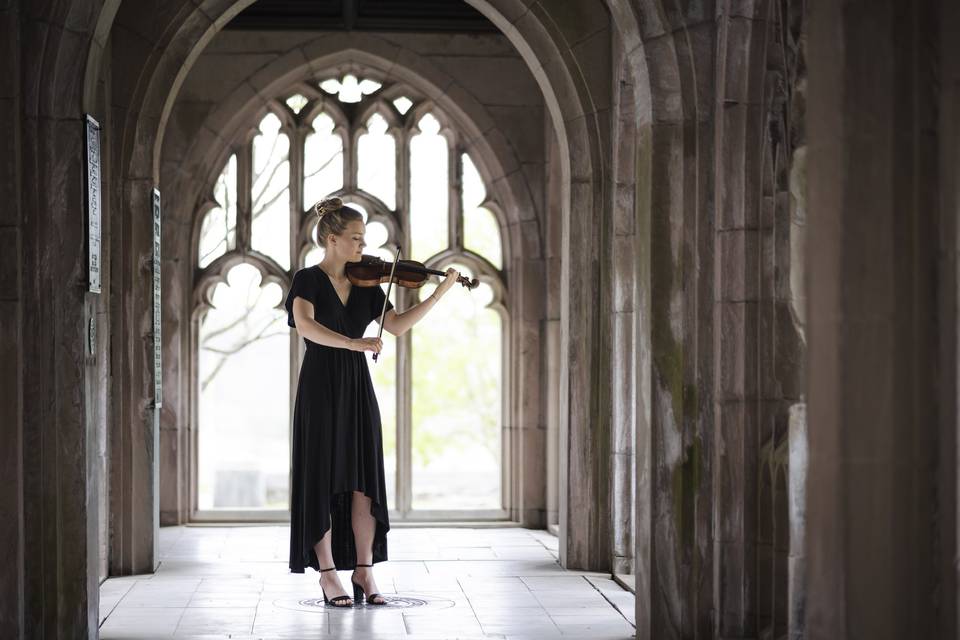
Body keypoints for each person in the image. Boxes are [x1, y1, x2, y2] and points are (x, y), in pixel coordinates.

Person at [285, 196, 459, 607]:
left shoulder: (368, 284)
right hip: (320, 388)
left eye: (363, 240)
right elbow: (307, 327)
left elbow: (395, 326)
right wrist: (354, 342)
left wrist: (439, 294)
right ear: (332, 239)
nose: (364, 247)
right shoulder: (307, 280)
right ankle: (328, 573)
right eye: (356, 239)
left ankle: (364, 570)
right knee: (322, 479)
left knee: (364, 481)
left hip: (357, 389)